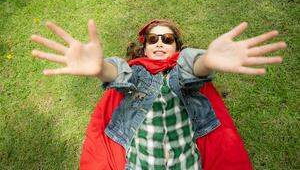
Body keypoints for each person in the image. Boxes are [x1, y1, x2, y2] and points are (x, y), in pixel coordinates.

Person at [31, 19, 286, 170]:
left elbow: (192, 69)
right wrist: (101, 70)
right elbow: (120, 76)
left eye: (167, 38)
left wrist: (207, 60)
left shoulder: (180, 71)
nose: (160, 43)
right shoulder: (139, 73)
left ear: (177, 46)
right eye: (153, 39)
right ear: (144, 47)